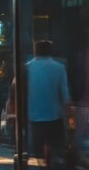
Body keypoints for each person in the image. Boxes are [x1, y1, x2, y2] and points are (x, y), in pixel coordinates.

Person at [26, 40, 71, 168]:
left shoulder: (27, 68)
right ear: (50, 51)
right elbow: (65, 96)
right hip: (55, 118)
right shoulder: (59, 67)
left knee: (38, 155)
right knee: (56, 153)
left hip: (35, 119)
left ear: (35, 51)